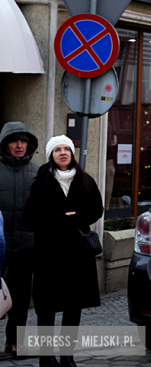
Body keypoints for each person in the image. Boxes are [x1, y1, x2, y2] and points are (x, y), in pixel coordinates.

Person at [24, 136, 104, 367]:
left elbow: (96, 209)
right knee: (46, 307)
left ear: (72, 153)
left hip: (77, 254)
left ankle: (67, 356)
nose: (62, 153)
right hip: (49, 254)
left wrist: (77, 216)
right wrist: (59, 218)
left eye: (66, 149)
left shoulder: (85, 180)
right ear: (51, 155)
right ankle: (46, 356)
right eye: (57, 149)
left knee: (73, 306)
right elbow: (30, 217)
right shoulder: (41, 182)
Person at [0, 122, 38, 355]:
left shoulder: (38, 172)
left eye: (23, 141)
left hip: (25, 245)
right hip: (0, 243)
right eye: (14, 141)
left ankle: (14, 341)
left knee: (21, 297)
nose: (19, 145)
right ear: (5, 144)